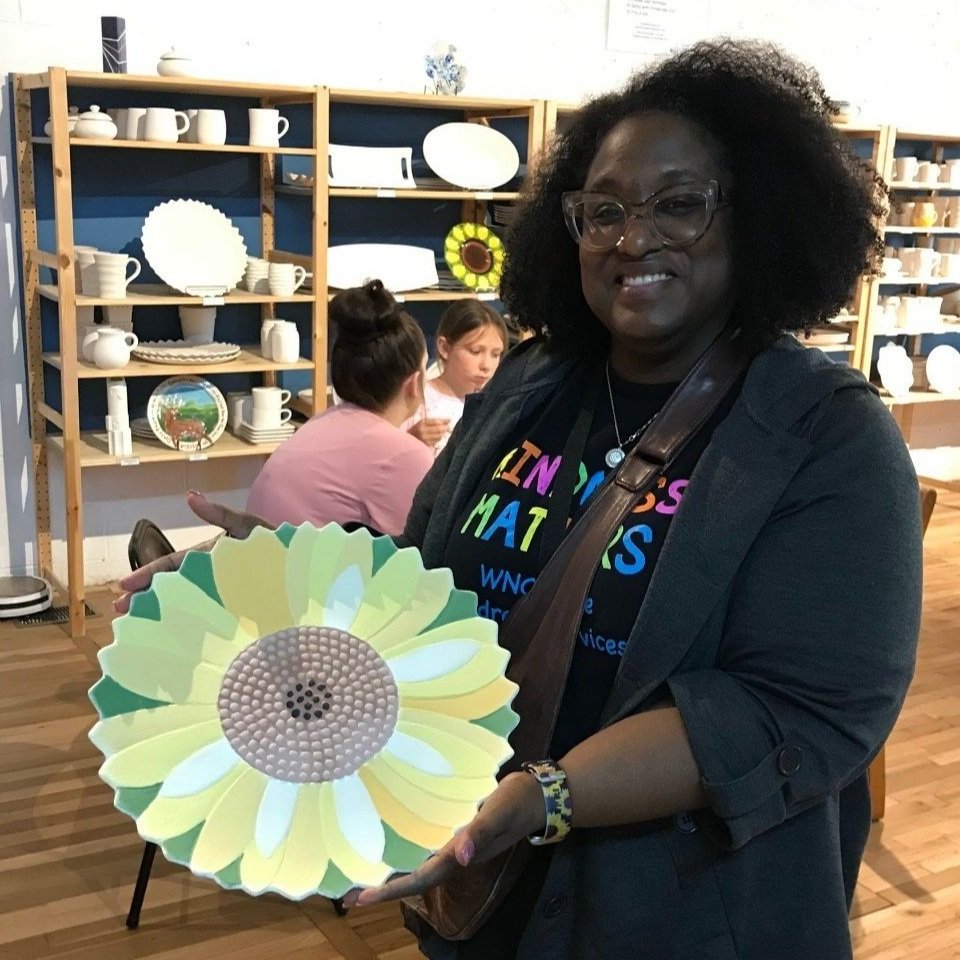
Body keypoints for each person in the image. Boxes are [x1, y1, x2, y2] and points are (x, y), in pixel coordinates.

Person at [118, 39, 922, 960]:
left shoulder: (823, 435)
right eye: (604, 209)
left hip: (687, 914)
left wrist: (549, 794)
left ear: (757, 217)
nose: (633, 236)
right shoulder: (531, 384)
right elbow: (417, 580)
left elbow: (798, 709)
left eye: (680, 204)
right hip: (485, 890)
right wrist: (261, 582)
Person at [244, 279, 434, 536]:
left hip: (258, 566)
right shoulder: (404, 454)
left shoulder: (322, 422)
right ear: (414, 382)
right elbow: (423, 555)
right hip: (299, 574)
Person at [406, 301, 509, 452]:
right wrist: (411, 439)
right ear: (445, 348)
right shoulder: (417, 399)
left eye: (495, 354)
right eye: (475, 351)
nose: (486, 365)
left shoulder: (497, 406)